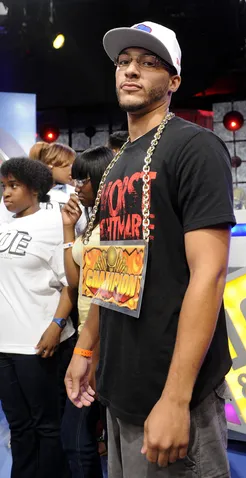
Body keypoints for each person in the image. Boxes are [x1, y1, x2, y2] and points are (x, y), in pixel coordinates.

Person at [65, 21, 235, 478]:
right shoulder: (118, 160)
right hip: (121, 387)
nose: (131, 71)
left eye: (148, 63)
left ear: (174, 81)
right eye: (124, 62)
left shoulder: (195, 147)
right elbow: (110, 271)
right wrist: (86, 350)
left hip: (174, 388)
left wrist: (176, 398)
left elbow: (210, 275)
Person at [0, 157, 75, 478]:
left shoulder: (53, 224)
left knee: (46, 425)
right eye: (3, 187)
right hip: (5, 344)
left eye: (14, 186)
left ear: (35, 189)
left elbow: (71, 284)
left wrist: (56, 327)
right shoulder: (5, 225)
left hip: (39, 343)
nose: (6, 194)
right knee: (18, 425)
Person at [60, 146, 114, 478]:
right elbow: (76, 280)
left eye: (84, 179)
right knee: (81, 438)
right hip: (85, 334)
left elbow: (109, 290)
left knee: (78, 438)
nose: (77, 186)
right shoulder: (91, 221)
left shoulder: (118, 224)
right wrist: (69, 229)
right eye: (76, 179)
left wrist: (91, 350)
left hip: (105, 340)